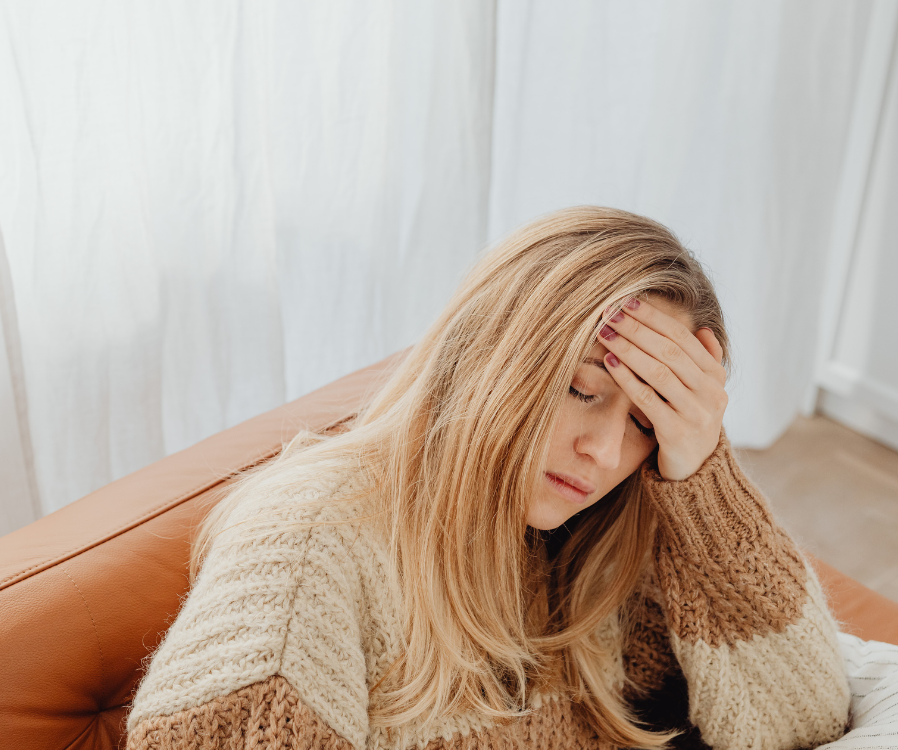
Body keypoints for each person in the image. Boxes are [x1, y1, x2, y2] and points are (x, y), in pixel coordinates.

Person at [125, 207, 850, 750]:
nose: (602, 450)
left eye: (646, 422)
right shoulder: (312, 542)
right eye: (581, 390)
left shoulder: (624, 525)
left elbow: (803, 720)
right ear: (491, 356)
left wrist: (703, 473)